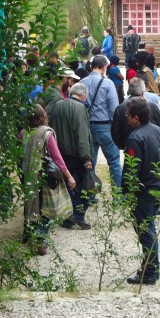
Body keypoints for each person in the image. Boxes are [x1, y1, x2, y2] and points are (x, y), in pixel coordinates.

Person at [21, 104, 76, 255]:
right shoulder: (46, 134)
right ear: (42, 117)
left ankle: (29, 234)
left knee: (32, 206)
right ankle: (41, 241)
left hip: (28, 176)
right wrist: (69, 177)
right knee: (46, 210)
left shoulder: (23, 133)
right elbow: (57, 158)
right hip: (44, 177)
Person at [122, 97, 160, 285]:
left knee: (146, 231)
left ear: (136, 118)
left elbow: (132, 170)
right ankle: (151, 267)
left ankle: (149, 272)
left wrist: (127, 192)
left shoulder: (135, 138)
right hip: (157, 186)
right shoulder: (157, 131)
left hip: (143, 191)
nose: (126, 117)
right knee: (150, 229)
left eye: (128, 115)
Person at [48, 83, 94, 230]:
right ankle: (78, 214)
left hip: (60, 153)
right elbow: (82, 135)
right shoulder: (80, 108)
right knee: (83, 185)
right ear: (83, 96)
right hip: (76, 153)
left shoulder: (58, 105)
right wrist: (86, 157)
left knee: (68, 185)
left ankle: (68, 216)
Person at [82, 55, 122, 188]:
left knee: (90, 164)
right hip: (105, 126)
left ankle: (91, 195)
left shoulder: (82, 82)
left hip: (88, 127)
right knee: (114, 162)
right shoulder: (108, 83)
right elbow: (114, 108)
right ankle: (118, 196)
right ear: (103, 67)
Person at [112, 78, 160, 150]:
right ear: (143, 92)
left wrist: (123, 145)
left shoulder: (120, 108)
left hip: (130, 148)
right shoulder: (152, 106)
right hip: (151, 146)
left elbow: (115, 132)